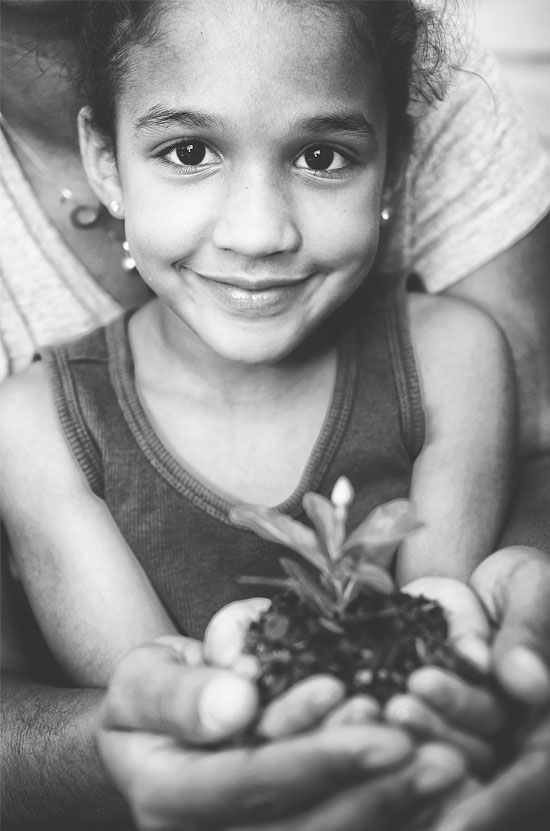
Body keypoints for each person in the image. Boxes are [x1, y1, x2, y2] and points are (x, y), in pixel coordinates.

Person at [0, 0, 549, 828]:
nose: (259, 232)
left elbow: (435, 622)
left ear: (395, 163)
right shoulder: (38, 431)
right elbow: (165, 703)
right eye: (188, 152)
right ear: (105, 161)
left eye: (322, 156)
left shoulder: (455, 360)